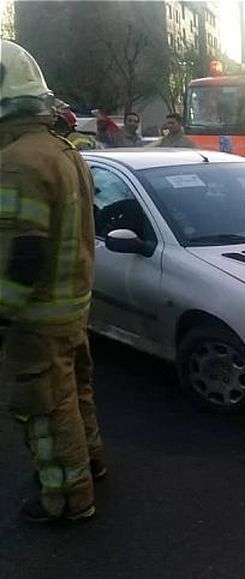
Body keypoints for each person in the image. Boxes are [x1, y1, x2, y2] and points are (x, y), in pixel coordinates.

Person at [0, 41, 105, 523]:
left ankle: (65, 499)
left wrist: (2, 312)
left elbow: (23, 253)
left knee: (44, 408)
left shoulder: (18, 162)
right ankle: (91, 464)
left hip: (37, 315)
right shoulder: (63, 150)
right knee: (75, 393)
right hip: (71, 306)